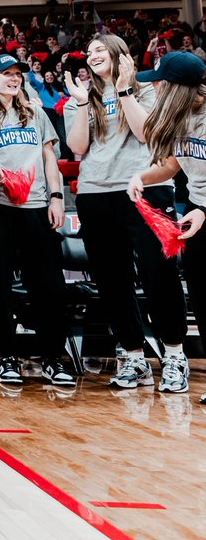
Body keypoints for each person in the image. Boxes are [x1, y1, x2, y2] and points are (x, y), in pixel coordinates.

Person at [64, 34, 187, 391]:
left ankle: (174, 355)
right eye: (89, 52)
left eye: (100, 48)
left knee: (158, 273)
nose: (92, 54)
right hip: (95, 193)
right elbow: (77, 146)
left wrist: (123, 91)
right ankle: (134, 358)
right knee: (111, 280)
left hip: (145, 189)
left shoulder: (146, 87)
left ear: (119, 53)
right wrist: (84, 103)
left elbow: (147, 133)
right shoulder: (83, 97)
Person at [0, 55, 75, 387]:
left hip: (34, 206)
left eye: (18, 74)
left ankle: (53, 357)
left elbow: (50, 157)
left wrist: (57, 197)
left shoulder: (35, 112)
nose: (14, 78)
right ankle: (5, 357)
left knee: (49, 285)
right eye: (7, 74)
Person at [127, 52, 206, 398]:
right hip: (196, 212)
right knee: (202, 297)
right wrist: (142, 176)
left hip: (202, 211)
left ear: (174, 87)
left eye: (159, 82)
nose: (154, 88)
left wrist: (204, 209)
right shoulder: (183, 117)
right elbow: (174, 165)